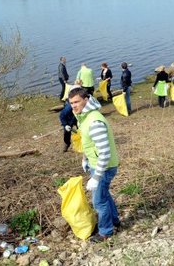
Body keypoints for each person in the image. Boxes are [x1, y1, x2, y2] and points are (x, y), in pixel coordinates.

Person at [68, 87, 120, 243]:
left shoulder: (94, 121)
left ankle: (106, 232)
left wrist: (96, 176)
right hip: (94, 164)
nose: (74, 106)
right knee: (104, 194)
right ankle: (115, 220)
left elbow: (104, 152)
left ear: (86, 99)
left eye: (77, 102)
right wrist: (85, 158)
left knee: (99, 201)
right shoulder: (84, 117)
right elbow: (88, 142)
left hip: (103, 167)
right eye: (71, 103)